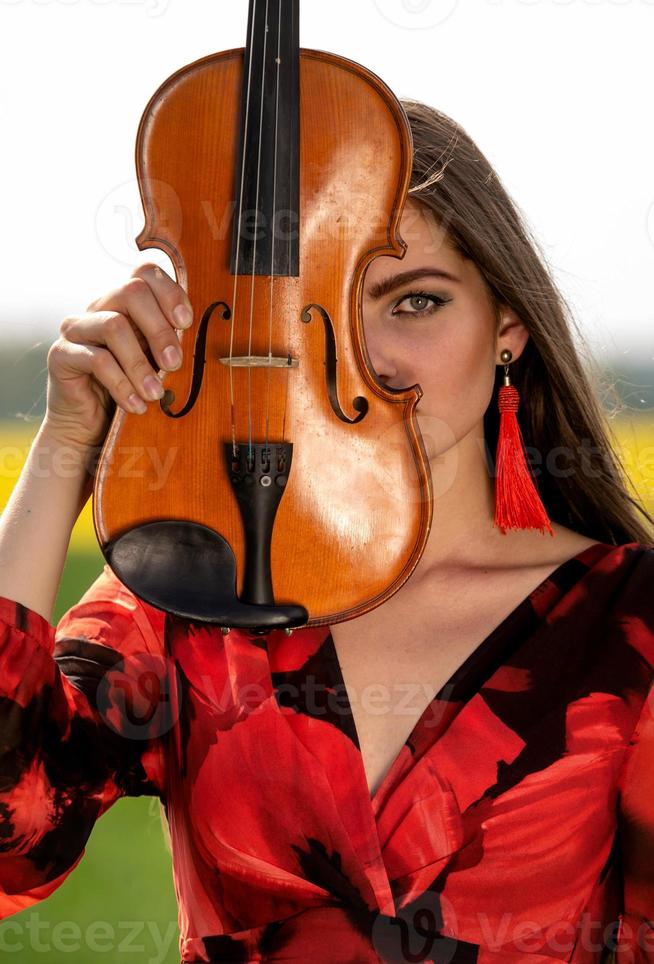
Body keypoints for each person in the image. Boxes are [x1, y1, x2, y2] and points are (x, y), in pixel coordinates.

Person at [0, 98, 652, 963]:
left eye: (413, 301)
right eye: (316, 312)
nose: (363, 358)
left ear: (507, 327)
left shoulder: (631, 621)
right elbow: (12, 840)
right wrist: (66, 445)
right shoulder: (194, 594)